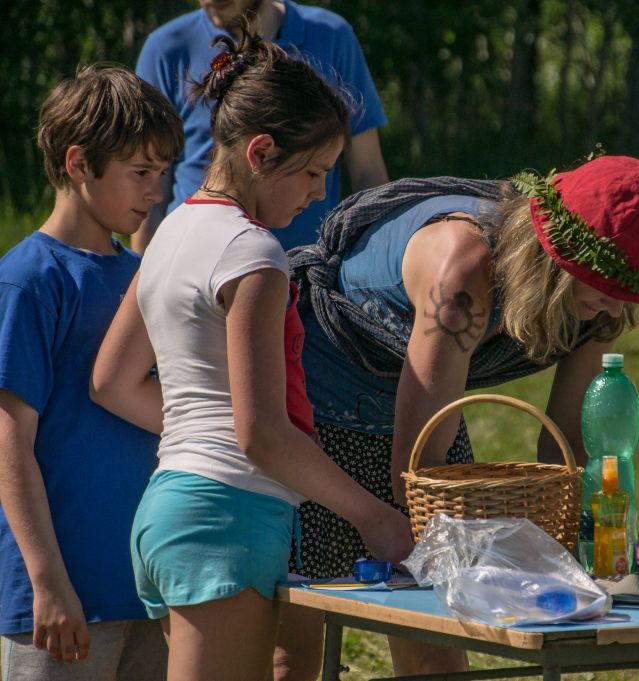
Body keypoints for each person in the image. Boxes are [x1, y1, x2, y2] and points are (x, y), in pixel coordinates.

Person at [90, 31, 412, 681]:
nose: (319, 194)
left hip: (167, 513)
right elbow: (260, 432)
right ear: (261, 152)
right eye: (314, 172)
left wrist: (200, 430)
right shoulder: (253, 254)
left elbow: (112, 381)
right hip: (226, 521)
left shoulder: (170, 231)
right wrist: (375, 516)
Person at [287, 153, 639, 675]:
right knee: (294, 648)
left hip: (427, 405)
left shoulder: (600, 301)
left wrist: (579, 541)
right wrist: (468, 549)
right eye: (607, 292)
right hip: (323, 404)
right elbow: (416, 471)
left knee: (437, 651)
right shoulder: (464, 272)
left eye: (628, 297)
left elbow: (567, 441)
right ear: (557, 263)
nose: (615, 309)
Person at [0, 64, 183, 679]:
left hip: (149, 588)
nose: (156, 191)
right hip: (61, 599)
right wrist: (47, 581)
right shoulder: (28, 281)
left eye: (163, 173)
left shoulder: (144, 276)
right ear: (78, 163)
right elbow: (8, 445)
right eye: (140, 172)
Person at [132, 0, 389, 253]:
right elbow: (149, 185)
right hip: (199, 254)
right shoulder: (164, 48)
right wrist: (146, 266)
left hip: (313, 264)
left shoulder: (332, 35)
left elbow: (368, 172)